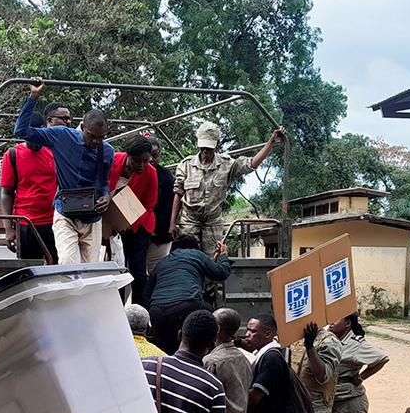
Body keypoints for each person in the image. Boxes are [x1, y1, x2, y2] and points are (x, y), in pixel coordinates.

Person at [13, 79, 115, 265]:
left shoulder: (107, 151)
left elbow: (104, 183)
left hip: (92, 218)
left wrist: (106, 197)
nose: (95, 142)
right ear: (83, 128)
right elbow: (21, 130)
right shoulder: (61, 136)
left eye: (101, 138)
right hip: (65, 213)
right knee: (69, 264)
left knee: (90, 270)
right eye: (92, 136)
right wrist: (33, 97)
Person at [170, 121, 285, 254]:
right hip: (189, 222)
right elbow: (178, 193)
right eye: (203, 148)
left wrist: (270, 142)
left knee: (213, 259)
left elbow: (251, 163)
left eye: (209, 148)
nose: (205, 152)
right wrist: (172, 222)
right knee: (187, 258)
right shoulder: (186, 165)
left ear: (217, 144)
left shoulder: (227, 164)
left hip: (212, 223)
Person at [145, 234, 232, 354]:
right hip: (186, 305)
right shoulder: (196, 254)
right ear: (195, 248)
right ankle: (215, 354)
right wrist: (223, 256)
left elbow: (146, 294)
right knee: (212, 317)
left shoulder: (162, 262)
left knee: (166, 351)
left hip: (157, 312)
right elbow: (221, 273)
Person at [107, 136, 159, 302]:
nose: (142, 165)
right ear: (127, 155)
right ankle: (117, 306)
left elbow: (149, 205)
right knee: (115, 268)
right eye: (137, 161)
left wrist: (130, 224)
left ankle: (139, 310)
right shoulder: (112, 160)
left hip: (139, 226)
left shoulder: (151, 172)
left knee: (137, 270)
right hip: (110, 224)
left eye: (146, 161)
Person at [0, 112, 57, 262]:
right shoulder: (12, 155)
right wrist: (8, 229)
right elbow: (6, 193)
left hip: (53, 223)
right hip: (25, 223)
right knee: (29, 269)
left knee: (57, 266)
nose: (34, 141)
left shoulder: (54, 153)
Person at [146, 137, 177, 281]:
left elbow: (169, 205)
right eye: (149, 155)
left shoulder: (166, 176)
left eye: (155, 155)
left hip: (160, 234)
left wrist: (166, 227)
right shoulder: (135, 172)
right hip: (138, 233)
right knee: (135, 271)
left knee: (157, 271)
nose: (152, 159)